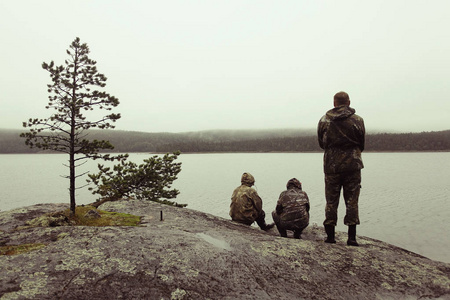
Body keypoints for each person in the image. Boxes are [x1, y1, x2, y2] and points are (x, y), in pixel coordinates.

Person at [317, 91, 365, 246]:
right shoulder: (357, 120)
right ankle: (352, 238)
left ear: (334, 103)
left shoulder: (324, 120)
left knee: (331, 200)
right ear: (349, 102)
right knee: (352, 200)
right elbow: (361, 143)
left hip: (331, 166)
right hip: (353, 164)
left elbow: (321, 144)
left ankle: (330, 236)